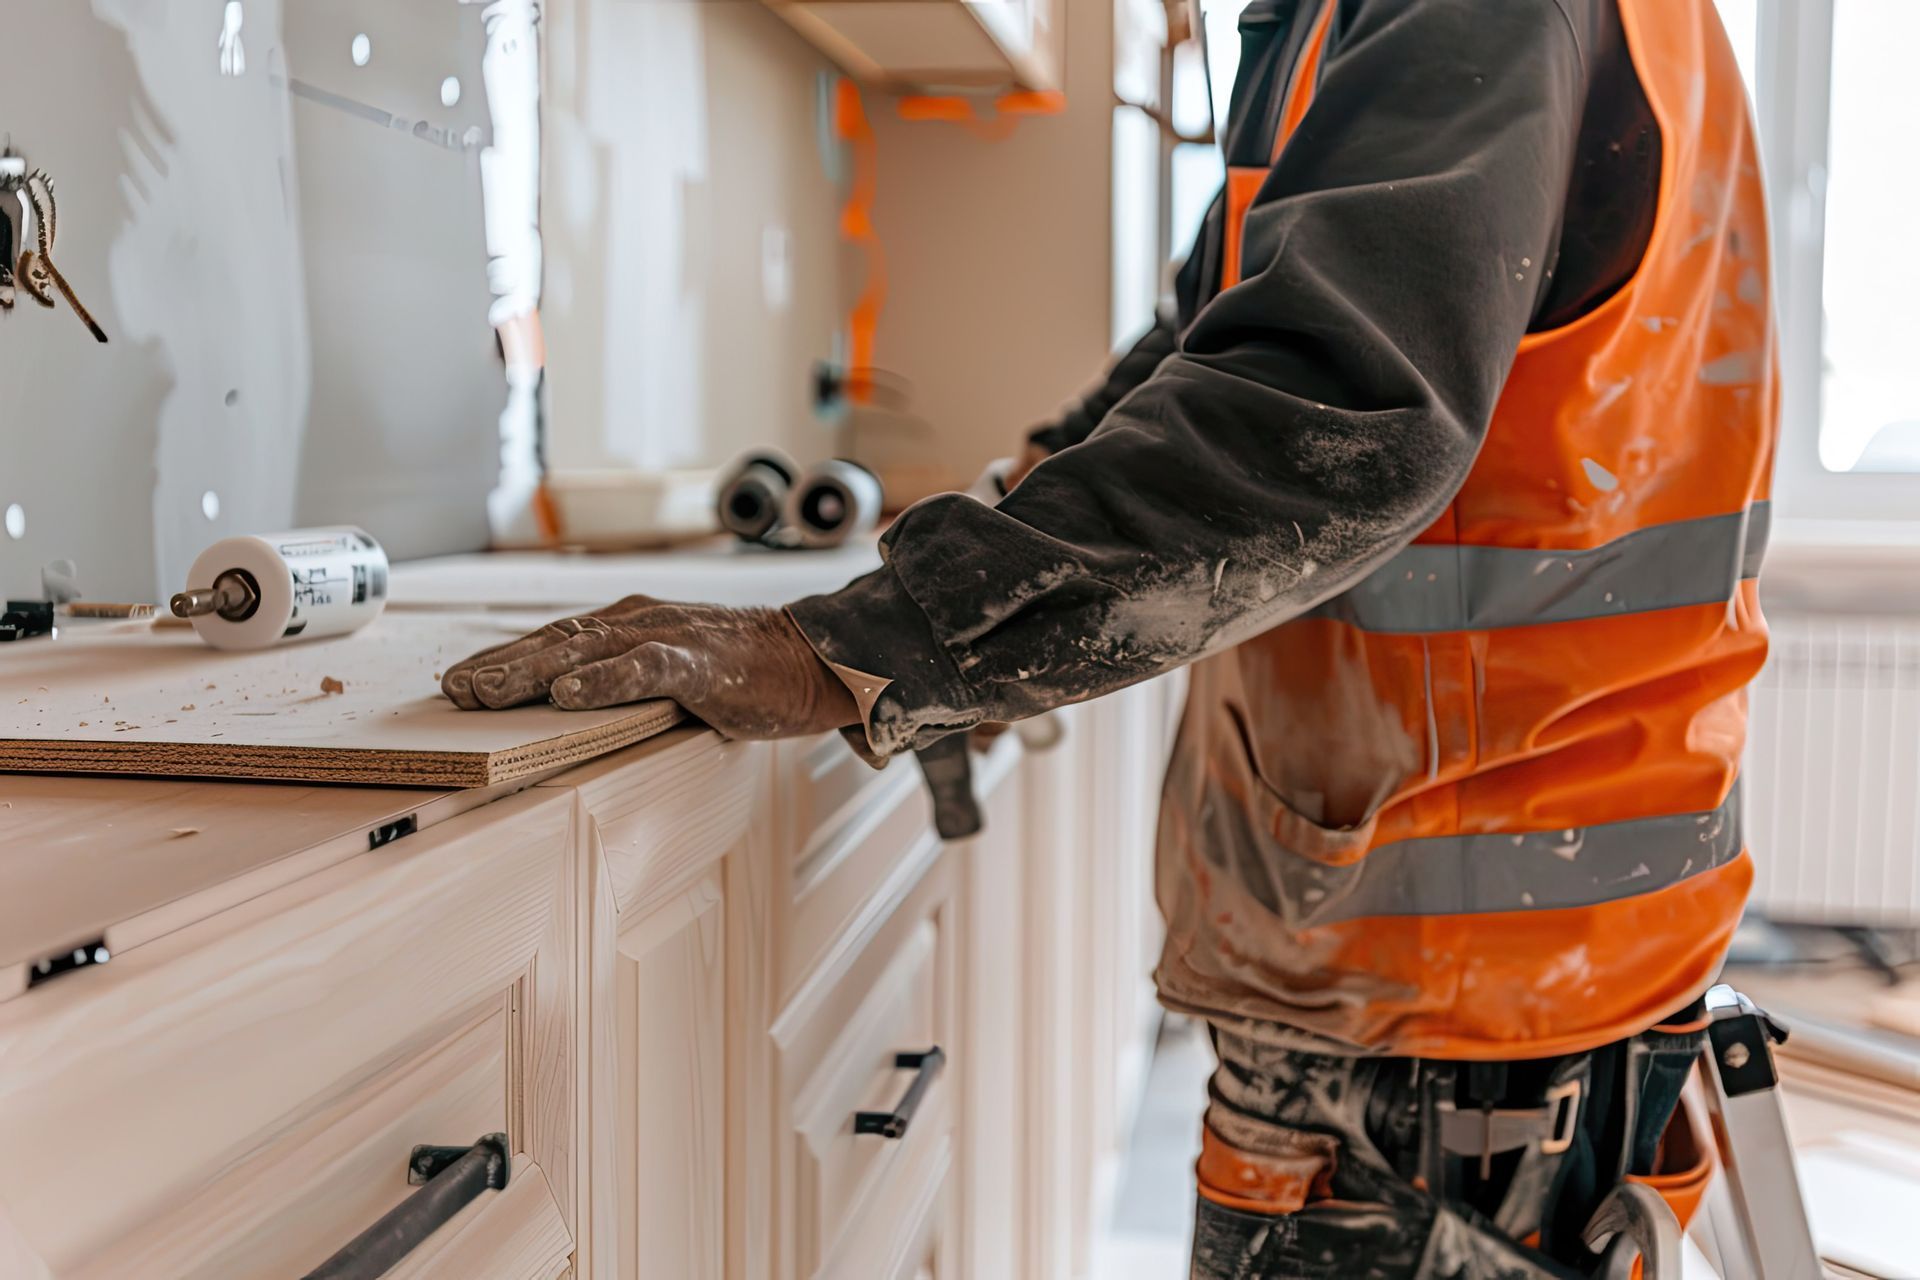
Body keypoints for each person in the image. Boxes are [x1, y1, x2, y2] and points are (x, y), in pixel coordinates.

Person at [443, 0, 1774, 1272]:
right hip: (1476, 978)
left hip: (1467, 1017)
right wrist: (998, 541)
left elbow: (1331, 420)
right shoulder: (1350, 21)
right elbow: (1218, 337)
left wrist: (892, 636)